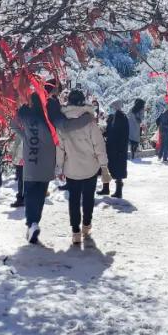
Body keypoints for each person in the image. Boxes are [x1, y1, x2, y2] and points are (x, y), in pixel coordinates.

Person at [55, 90, 108, 245]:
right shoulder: (90, 123)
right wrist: (104, 165)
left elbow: (60, 149)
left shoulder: (63, 124)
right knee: (88, 198)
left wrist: (60, 167)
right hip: (90, 168)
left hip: (71, 169)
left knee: (74, 200)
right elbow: (99, 146)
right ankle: (86, 225)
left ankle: (75, 232)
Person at [13, 93, 59, 244]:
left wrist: (23, 133)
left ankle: (32, 223)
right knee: (39, 196)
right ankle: (35, 222)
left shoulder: (26, 118)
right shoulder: (48, 121)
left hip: (31, 163)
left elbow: (13, 124)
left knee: (30, 195)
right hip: (47, 165)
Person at [101, 99, 129, 198]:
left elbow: (123, 135)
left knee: (118, 171)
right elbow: (109, 130)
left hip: (118, 149)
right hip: (110, 147)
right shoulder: (112, 117)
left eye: (112, 107)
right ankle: (106, 188)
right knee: (107, 168)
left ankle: (118, 191)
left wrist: (121, 149)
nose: (110, 109)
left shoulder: (122, 118)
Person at [9, 124, 26, 208]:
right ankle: (23, 198)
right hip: (19, 159)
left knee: (22, 180)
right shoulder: (20, 131)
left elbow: (22, 146)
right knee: (21, 179)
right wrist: (13, 156)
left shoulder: (27, 130)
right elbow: (16, 145)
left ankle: (22, 199)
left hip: (23, 160)